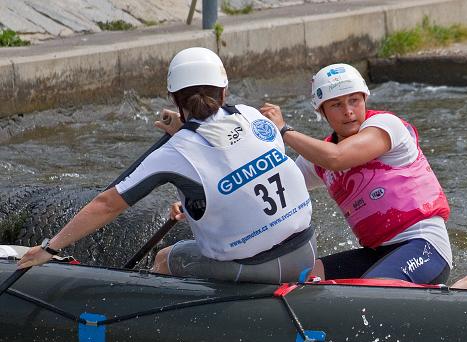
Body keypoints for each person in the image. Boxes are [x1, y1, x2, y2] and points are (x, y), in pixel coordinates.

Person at [18, 47, 316, 284]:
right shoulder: (254, 116)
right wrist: (186, 132)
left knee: (164, 258)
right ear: (224, 91)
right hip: (306, 250)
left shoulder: (173, 153)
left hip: (252, 268)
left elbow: (107, 203)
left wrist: (50, 248)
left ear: (175, 99)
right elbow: (235, 161)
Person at [259, 63, 452, 284]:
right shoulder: (317, 158)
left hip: (424, 246)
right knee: (299, 278)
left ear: (365, 99)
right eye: (336, 104)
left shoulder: (386, 126)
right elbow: (274, 187)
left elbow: (337, 158)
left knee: (369, 291)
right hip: (377, 254)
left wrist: (283, 130)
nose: (348, 111)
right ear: (321, 111)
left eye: (354, 100)